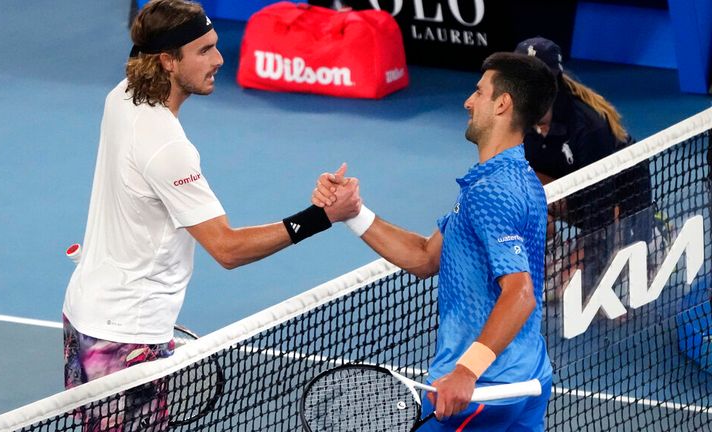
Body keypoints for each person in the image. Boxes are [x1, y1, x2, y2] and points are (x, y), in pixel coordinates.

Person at [62, 0, 361, 429]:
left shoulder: (122, 95)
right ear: (166, 61)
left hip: (87, 310)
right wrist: (321, 216)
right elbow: (227, 248)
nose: (220, 59)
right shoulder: (168, 148)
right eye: (203, 51)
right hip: (124, 334)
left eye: (215, 46)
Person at [315, 52, 557, 431]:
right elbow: (426, 256)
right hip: (528, 378)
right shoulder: (514, 178)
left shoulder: (492, 191)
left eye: (479, 92)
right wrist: (353, 213)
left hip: (481, 393)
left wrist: (466, 370)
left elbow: (520, 293)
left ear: (502, 104)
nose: (468, 101)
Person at [514, 37, 656, 292]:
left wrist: (592, 277)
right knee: (520, 186)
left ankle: (649, 237)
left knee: (589, 291)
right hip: (574, 189)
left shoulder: (588, 126)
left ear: (552, 83)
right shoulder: (517, 118)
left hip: (621, 201)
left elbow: (599, 208)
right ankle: (554, 253)